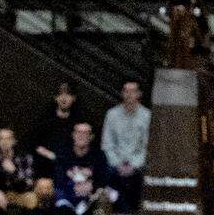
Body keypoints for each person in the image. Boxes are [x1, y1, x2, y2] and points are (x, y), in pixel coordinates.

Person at [101, 80, 150, 214]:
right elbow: (107, 145)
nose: (129, 95)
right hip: (116, 166)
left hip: (138, 166)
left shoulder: (147, 116)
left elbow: (147, 147)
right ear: (122, 93)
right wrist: (119, 165)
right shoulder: (111, 114)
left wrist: (133, 165)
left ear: (139, 94)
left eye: (133, 91)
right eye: (126, 91)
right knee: (107, 174)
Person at [31, 82, 82, 203]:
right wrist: (51, 155)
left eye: (68, 94)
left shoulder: (79, 122)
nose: (64, 98)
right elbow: (34, 144)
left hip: (69, 170)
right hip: (46, 169)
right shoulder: (45, 120)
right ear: (56, 98)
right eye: (60, 94)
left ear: (74, 98)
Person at [53, 122, 114, 215]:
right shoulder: (63, 154)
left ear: (91, 137)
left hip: (90, 198)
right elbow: (58, 177)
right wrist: (73, 186)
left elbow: (104, 178)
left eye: (86, 133)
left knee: (105, 196)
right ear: (73, 135)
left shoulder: (99, 155)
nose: (81, 136)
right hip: (67, 197)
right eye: (78, 132)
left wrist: (92, 186)